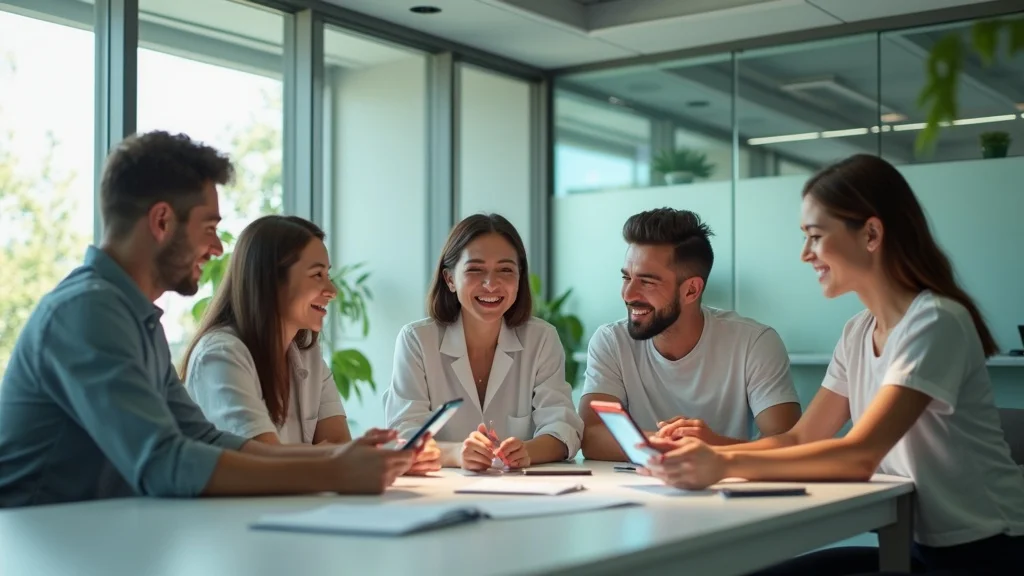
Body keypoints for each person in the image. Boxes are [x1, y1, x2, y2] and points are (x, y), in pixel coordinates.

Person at [642, 154, 1024, 575]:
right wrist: (713, 448)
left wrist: (725, 465)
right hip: (917, 546)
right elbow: (802, 438)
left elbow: (859, 456)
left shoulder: (935, 321)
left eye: (816, 236)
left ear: (872, 234)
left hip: (990, 550)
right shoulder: (858, 330)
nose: (806, 254)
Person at [0, 131, 416, 508]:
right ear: (162, 221)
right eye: (209, 228)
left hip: (96, 539)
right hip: (40, 547)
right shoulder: (87, 312)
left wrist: (341, 456)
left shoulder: (134, 318)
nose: (217, 249)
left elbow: (205, 439)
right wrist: (334, 471)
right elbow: (165, 463)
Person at [181, 214, 440, 473]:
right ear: (270, 279)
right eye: (317, 275)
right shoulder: (221, 355)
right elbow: (265, 459)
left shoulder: (307, 356)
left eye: (328, 274)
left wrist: (384, 457)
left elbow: (339, 443)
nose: (332, 290)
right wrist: (366, 455)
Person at [579, 208, 802, 461]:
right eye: (626, 277)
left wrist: (713, 448)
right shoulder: (611, 341)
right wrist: (667, 443)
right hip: (637, 488)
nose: (628, 294)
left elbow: (788, 441)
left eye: (647, 282)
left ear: (691, 290)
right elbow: (591, 436)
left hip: (727, 489)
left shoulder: (754, 342)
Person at [383, 213, 584, 471]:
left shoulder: (542, 339)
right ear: (450, 279)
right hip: (439, 494)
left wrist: (526, 451)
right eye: (475, 270)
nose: (491, 284)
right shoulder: (417, 341)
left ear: (520, 278)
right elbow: (404, 434)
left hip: (521, 491)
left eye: (505, 270)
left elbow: (564, 428)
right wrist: (455, 454)